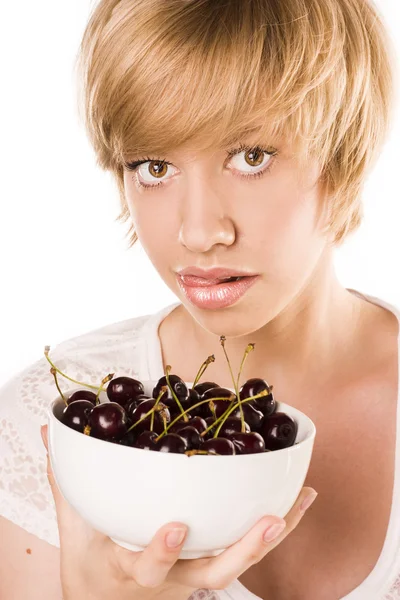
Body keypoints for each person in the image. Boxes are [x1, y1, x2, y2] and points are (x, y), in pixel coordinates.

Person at [0, 0, 399, 598]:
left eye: (251, 157)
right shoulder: (57, 420)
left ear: (343, 157)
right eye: (155, 166)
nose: (197, 231)